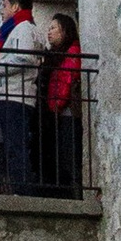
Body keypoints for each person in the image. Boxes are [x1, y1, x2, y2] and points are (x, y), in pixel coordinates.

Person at [0, 0, 50, 192]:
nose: (1, 11)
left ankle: (22, 190)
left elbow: (24, 58)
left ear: (15, 7)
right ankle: (17, 188)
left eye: (4, 6)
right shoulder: (19, 29)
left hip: (15, 95)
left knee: (15, 145)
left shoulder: (23, 29)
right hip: (11, 94)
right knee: (10, 145)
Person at [40, 10, 85, 195]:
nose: (49, 32)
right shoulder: (56, 54)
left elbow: (67, 79)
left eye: (53, 28)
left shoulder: (71, 52)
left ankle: (75, 193)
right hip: (57, 110)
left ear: (65, 31)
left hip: (65, 111)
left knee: (68, 155)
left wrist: (56, 105)